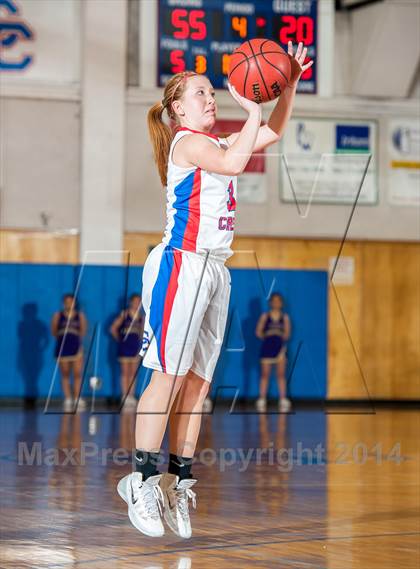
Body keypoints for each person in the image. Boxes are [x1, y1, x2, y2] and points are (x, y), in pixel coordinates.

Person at [117, 42, 313, 538]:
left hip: (215, 271)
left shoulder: (219, 143)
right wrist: (252, 107)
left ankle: (178, 480)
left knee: (199, 385)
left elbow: (270, 133)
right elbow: (234, 162)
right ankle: (140, 479)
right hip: (179, 265)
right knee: (167, 375)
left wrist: (285, 88)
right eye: (201, 93)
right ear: (178, 108)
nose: (211, 99)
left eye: (211, 93)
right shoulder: (187, 143)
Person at [255, 292, 291, 412]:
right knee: (265, 374)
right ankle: (262, 398)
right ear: (270, 303)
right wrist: (267, 334)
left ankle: (283, 399)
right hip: (267, 348)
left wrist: (278, 334)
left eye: (278, 301)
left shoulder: (285, 317)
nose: (276, 303)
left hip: (280, 349)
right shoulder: (265, 316)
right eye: (274, 301)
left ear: (281, 303)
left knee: (280, 375)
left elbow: (287, 334)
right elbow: (258, 332)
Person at [51, 293, 87, 411]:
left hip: (76, 348)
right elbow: (54, 331)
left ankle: (77, 398)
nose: (69, 304)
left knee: (77, 374)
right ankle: (68, 398)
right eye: (67, 302)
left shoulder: (79, 316)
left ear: (74, 303)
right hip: (62, 348)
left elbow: (83, 331)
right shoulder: (58, 315)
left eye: (71, 301)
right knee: (65, 374)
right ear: (63, 303)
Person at [110, 294, 144, 409]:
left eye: (139, 302)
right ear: (130, 302)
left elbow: (142, 333)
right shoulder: (124, 314)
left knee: (133, 373)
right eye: (135, 301)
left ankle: (131, 396)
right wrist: (120, 339)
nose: (137, 304)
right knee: (125, 372)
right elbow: (113, 328)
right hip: (124, 347)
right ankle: (125, 396)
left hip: (135, 347)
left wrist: (141, 346)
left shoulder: (141, 316)